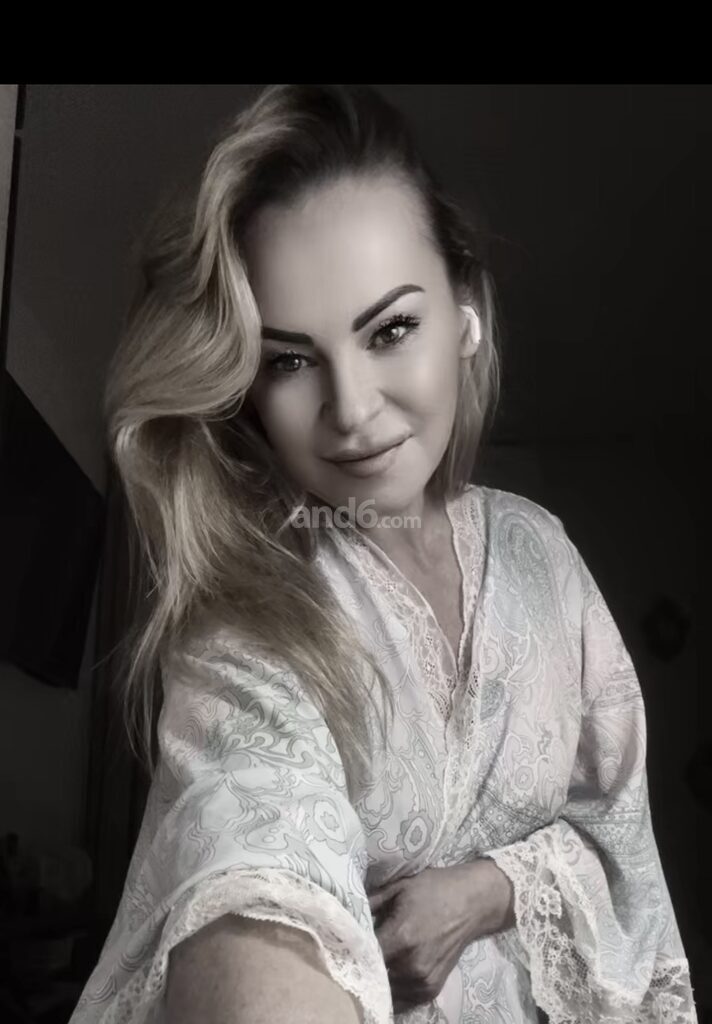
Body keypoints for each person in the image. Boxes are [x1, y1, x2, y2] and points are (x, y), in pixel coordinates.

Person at [68, 84, 697, 1023]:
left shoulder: (543, 554)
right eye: (289, 359)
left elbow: (618, 833)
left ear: (465, 312)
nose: (354, 411)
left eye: (391, 328)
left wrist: (489, 887)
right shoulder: (249, 614)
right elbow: (251, 851)